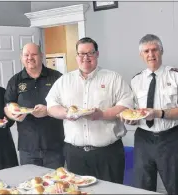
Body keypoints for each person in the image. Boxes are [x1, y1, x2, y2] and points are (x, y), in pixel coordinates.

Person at [46, 37, 134, 184]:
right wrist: (66, 114)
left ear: (97, 54)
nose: (85, 57)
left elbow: (126, 104)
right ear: (76, 56)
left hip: (108, 153)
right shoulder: (64, 80)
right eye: (81, 54)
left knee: (111, 192)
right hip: (75, 154)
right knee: (79, 191)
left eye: (90, 53)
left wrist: (103, 115)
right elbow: (51, 106)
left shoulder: (113, 78)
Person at [125, 34, 178, 195]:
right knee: (143, 187)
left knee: (174, 187)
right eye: (146, 51)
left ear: (161, 51)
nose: (151, 54)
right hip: (143, 139)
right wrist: (131, 120)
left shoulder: (177, 75)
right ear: (141, 55)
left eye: (154, 50)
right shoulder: (136, 80)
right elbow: (135, 112)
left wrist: (158, 113)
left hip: (170, 139)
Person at [4, 43, 64, 169]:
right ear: (21, 57)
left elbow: (67, 105)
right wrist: (14, 114)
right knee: (30, 185)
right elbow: (8, 105)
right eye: (26, 55)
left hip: (54, 146)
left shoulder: (57, 77)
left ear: (41, 56)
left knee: (56, 185)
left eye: (34, 54)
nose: (30, 57)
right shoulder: (15, 81)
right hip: (28, 148)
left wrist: (48, 111)